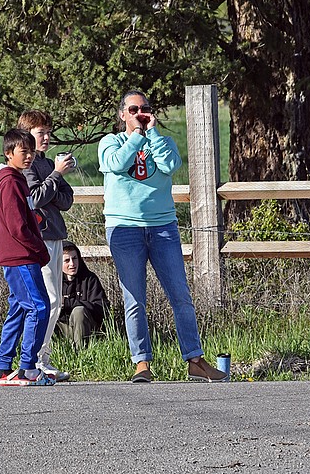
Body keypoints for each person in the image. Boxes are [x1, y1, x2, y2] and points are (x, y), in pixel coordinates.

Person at [98, 90, 227, 383]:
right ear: (122, 115)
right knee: (134, 299)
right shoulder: (111, 142)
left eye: (144, 108)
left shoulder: (162, 142)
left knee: (180, 295)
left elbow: (170, 166)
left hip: (162, 227)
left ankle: (195, 360)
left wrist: (152, 132)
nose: (139, 113)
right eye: (133, 109)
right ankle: (141, 362)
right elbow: (117, 164)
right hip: (125, 228)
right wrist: (136, 136)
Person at [0, 128, 54, 386]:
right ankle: (28, 368)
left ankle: (3, 367)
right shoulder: (11, 181)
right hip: (21, 255)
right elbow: (17, 226)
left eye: (32, 152)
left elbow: (23, 214)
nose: (29, 157)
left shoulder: (15, 179)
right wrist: (39, 249)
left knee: (18, 308)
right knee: (39, 307)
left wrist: (34, 219)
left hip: (17, 255)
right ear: (8, 153)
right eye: (23, 152)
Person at [18, 109, 76, 382]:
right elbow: (37, 198)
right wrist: (55, 175)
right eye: (40, 133)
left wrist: (53, 178)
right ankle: (35, 359)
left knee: (56, 300)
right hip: (40, 237)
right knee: (48, 299)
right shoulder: (28, 166)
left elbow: (66, 199)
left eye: (48, 132)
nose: (46, 138)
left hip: (56, 233)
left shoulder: (47, 163)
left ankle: (43, 356)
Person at [56, 241, 108, 348]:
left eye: (74, 258)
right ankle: (49, 354)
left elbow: (102, 307)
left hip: (87, 328)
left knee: (79, 311)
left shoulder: (89, 279)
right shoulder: (53, 281)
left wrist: (67, 303)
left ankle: (81, 353)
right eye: (66, 260)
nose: (72, 264)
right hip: (62, 327)